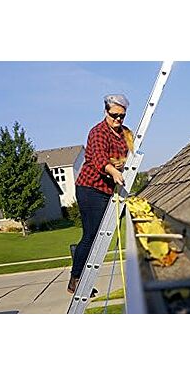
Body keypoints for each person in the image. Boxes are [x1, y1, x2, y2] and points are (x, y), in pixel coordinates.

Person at [68, 94, 134, 294]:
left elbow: (131, 155)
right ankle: (76, 279)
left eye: (122, 116)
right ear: (106, 112)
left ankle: (79, 262)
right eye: (114, 115)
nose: (118, 119)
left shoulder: (125, 134)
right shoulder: (98, 132)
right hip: (90, 188)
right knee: (92, 234)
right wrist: (114, 172)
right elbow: (99, 159)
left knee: (108, 230)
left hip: (109, 189)